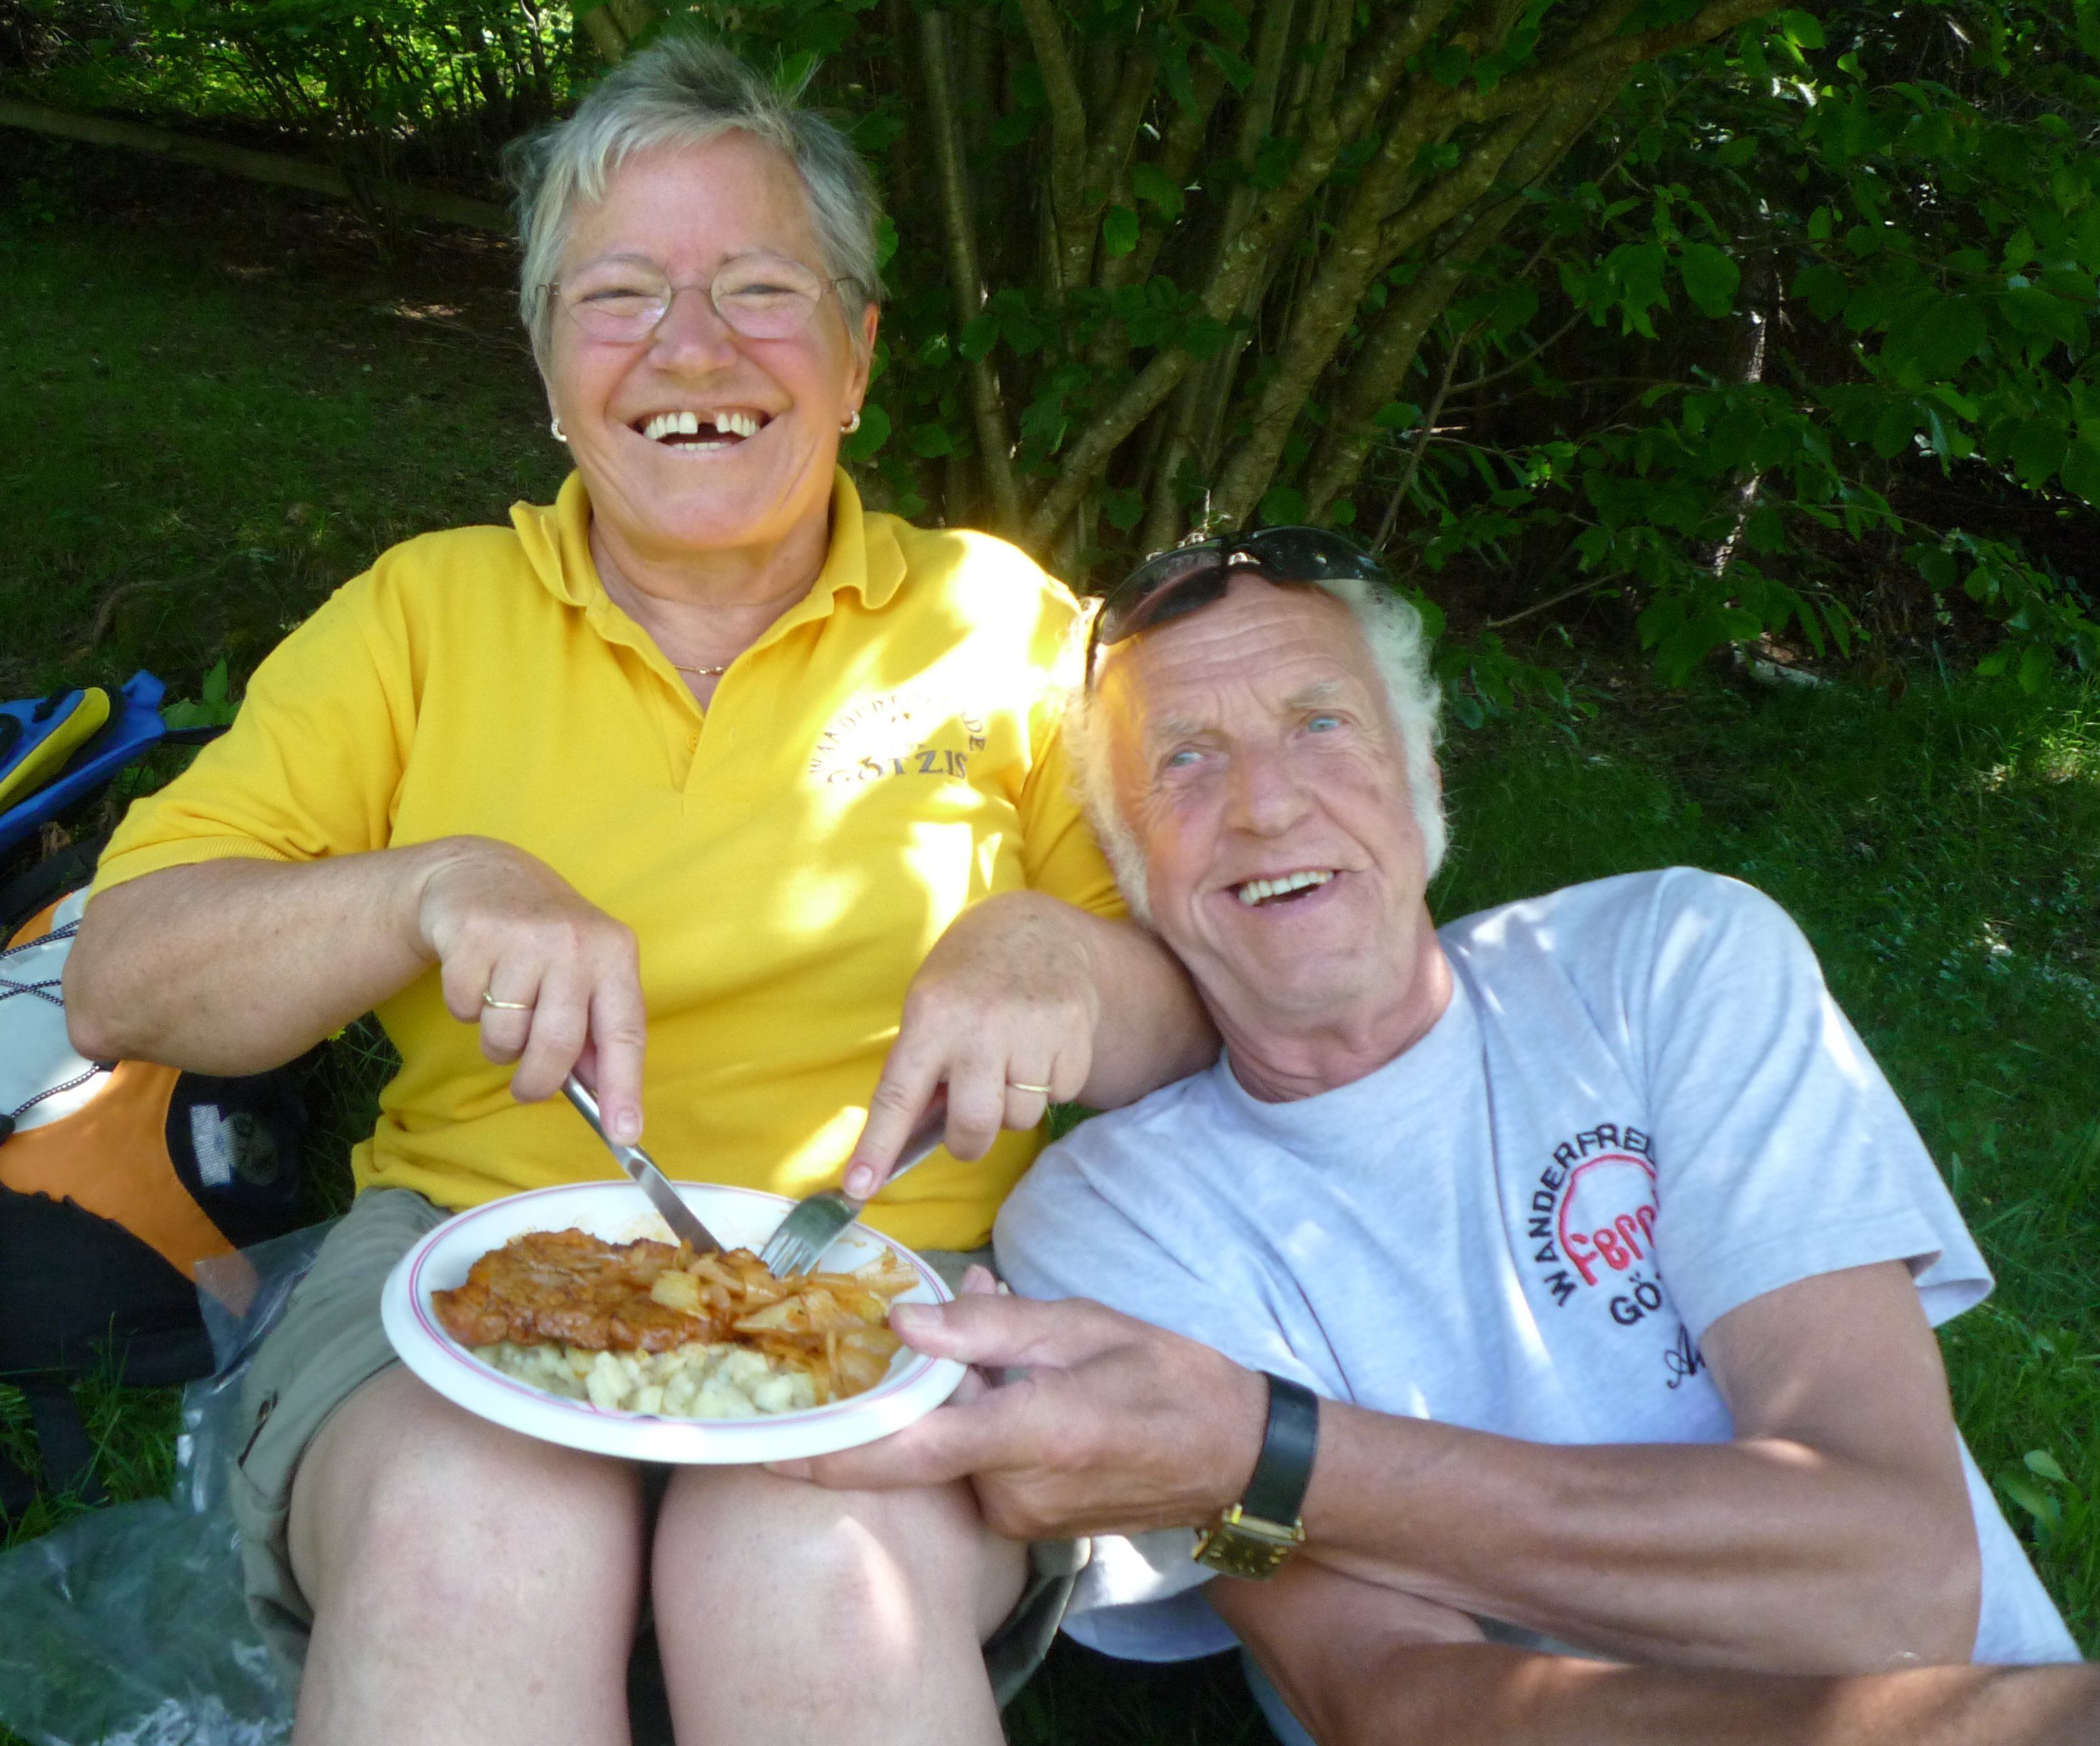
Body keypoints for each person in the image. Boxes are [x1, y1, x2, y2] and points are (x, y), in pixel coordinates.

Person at [59, 38, 1212, 1746]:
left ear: (856, 357)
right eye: (618, 296)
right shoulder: (420, 619)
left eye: (761, 289)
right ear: (547, 367)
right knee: (478, 1542)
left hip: (901, 1290)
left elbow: (1207, 1031)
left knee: (811, 1571)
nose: (691, 347)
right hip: (464, 1266)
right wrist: (431, 887)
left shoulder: (1007, 627)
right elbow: (122, 979)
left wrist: (1058, 949)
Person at [788, 531, 2097, 1744]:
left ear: (1422, 785)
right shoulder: (1104, 1229)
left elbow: (1898, 1583)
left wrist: (1265, 1452)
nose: (1266, 806)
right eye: (1185, 759)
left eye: (1321, 725)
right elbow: (1390, 1700)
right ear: (1131, 870)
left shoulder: (1670, 959)